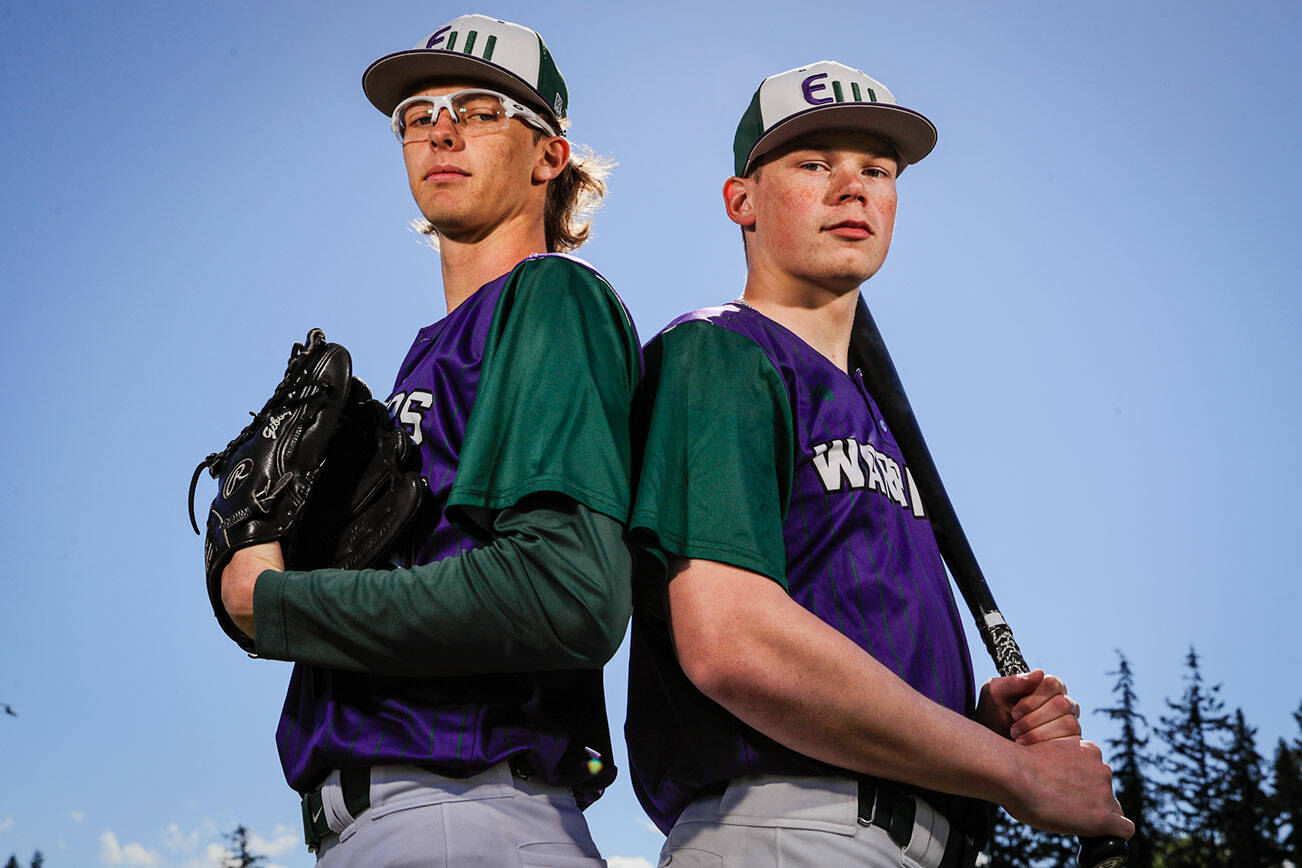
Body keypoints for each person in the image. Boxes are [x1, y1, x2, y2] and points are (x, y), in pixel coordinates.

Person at [624, 61, 1134, 867]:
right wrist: (1014, 775)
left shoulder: (873, 414)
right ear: (740, 201)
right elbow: (733, 642)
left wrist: (970, 729)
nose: (852, 189)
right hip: (786, 830)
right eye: (814, 164)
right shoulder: (721, 351)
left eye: (876, 170)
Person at [216, 14, 640, 866]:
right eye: (417, 114)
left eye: (481, 110)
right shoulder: (431, 350)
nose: (440, 129)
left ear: (549, 156)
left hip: (462, 805)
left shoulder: (549, 296)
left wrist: (276, 602)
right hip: (407, 818)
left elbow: (564, 594)